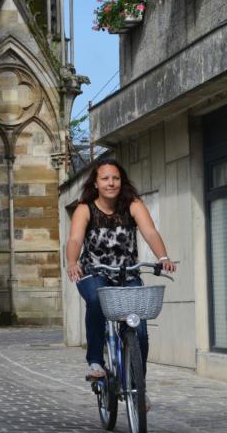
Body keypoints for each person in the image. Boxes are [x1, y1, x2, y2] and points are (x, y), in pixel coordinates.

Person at [65, 159, 176, 388]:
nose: (111, 183)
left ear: (121, 181)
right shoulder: (85, 209)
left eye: (115, 178)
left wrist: (163, 257)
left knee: (140, 329)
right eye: (105, 178)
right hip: (93, 272)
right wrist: (72, 261)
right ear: (95, 183)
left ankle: (138, 385)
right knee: (96, 301)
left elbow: (149, 231)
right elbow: (75, 238)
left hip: (127, 272)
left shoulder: (132, 205)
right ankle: (95, 362)